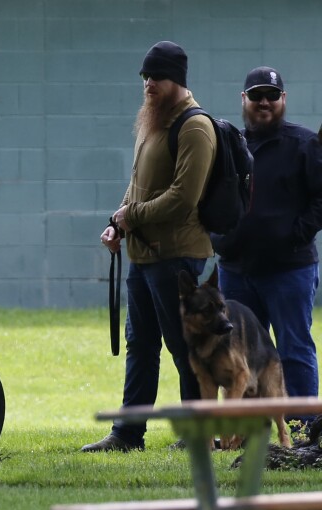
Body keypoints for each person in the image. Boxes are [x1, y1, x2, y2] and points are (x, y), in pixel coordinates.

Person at [82, 41, 216, 452]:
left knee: (182, 344)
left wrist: (131, 216)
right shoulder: (153, 120)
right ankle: (127, 433)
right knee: (140, 344)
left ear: (176, 79)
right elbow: (138, 183)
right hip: (144, 255)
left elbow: (182, 198)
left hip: (176, 256)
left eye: (155, 77)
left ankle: (199, 435)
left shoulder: (194, 127)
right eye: (144, 77)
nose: (147, 84)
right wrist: (117, 222)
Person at [211, 67, 322, 423]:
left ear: (283, 100)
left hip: (289, 270)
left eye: (272, 96)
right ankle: (248, 428)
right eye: (256, 95)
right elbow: (209, 199)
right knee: (242, 353)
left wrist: (295, 235)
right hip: (237, 271)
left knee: (295, 348)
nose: (264, 102)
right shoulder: (230, 145)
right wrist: (220, 240)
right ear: (243, 100)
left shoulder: (304, 144)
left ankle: (307, 429)